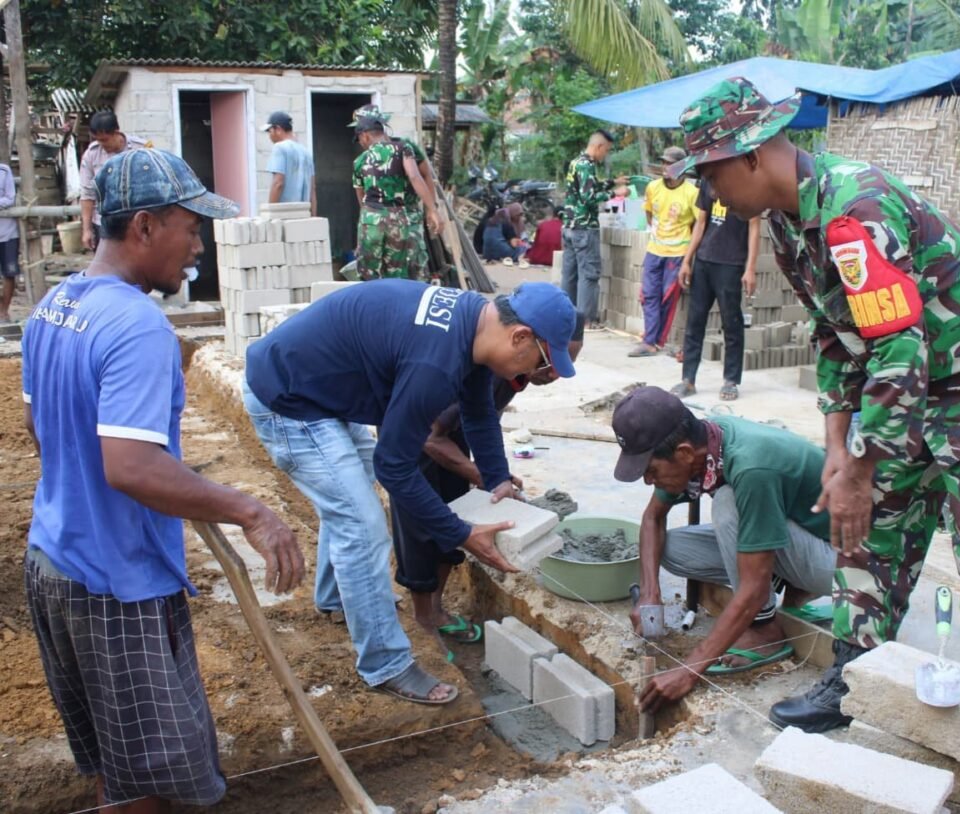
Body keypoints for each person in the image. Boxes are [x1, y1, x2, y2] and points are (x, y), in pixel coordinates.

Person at [667, 76, 960, 733]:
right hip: (908, 388)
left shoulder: (854, 209)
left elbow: (898, 351)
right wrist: (838, 451)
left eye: (711, 172)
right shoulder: (789, 226)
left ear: (753, 155)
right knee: (868, 537)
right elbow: (838, 339)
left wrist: (862, 469)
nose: (709, 192)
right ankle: (851, 678)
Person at [21, 148, 305, 812]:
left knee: (116, 767)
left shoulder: (53, 307)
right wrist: (251, 512)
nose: (198, 244)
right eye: (190, 226)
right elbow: (132, 467)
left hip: (55, 563)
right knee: (148, 783)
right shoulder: (138, 325)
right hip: (115, 582)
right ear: (145, 227)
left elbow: (44, 434)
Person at [243, 280, 577, 705]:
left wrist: (498, 479)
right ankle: (386, 665)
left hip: (321, 389)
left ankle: (334, 597)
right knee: (364, 528)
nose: (531, 374)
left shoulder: (474, 324)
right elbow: (394, 466)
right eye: (540, 361)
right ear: (520, 336)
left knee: (350, 495)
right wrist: (461, 533)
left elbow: (478, 412)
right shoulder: (435, 364)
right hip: (288, 399)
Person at [613, 386, 835, 712]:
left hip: (844, 563)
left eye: (651, 471)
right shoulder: (705, 442)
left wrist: (689, 669)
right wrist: (650, 592)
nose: (649, 481)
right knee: (672, 548)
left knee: (728, 505)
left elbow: (753, 590)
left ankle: (764, 630)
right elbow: (652, 519)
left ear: (685, 453)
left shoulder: (749, 466)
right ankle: (784, 582)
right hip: (798, 534)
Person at [387, 315, 585, 653]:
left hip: (452, 439)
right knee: (422, 527)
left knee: (460, 518)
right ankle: (423, 621)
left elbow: (484, 421)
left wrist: (496, 474)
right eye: (551, 362)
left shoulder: (517, 373)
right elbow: (430, 438)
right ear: (526, 341)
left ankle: (436, 609)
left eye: (565, 365)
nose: (554, 374)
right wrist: (481, 476)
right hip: (415, 440)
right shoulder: (488, 367)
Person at [672, 174, 760, 400]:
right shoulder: (709, 181)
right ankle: (688, 379)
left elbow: (754, 227)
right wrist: (687, 261)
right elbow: (701, 223)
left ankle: (731, 380)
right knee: (694, 322)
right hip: (704, 260)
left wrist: (750, 268)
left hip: (731, 264)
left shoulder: (748, 185)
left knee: (731, 323)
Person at [349, 113, 442, 280]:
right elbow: (415, 177)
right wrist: (432, 209)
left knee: (369, 275)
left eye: (360, 139)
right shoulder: (403, 148)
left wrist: (365, 227)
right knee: (400, 272)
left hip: (371, 221)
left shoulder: (359, 161)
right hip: (401, 219)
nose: (361, 144)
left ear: (365, 135)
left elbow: (361, 199)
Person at [628, 147, 699, 358]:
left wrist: (688, 258)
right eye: (664, 163)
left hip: (678, 253)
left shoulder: (691, 193)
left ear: (682, 167)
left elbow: (697, 226)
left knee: (667, 297)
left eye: (670, 164)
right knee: (648, 294)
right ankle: (649, 341)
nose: (666, 167)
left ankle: (657, 341)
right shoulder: (653, 187)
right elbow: (650, 215)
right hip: (654, 249)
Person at [560, 129, 629, 330]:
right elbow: (589, 198)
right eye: (606, 151)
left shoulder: (577, 163)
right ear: (598, 147)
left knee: (570, 275)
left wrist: (613, 183)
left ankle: (568, 317)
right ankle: (586, 320)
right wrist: (615, 193)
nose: (605, 155)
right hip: (584, 227)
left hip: (569, 226)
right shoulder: (587, 165)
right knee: (589, 274)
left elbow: (589, 186)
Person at [78, 111, 149, 252]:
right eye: (98, 140)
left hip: (135, 222)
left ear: (116, 132)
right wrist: (86, 230)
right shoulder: (91, 155)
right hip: (104, 224)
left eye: (105, 140)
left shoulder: (142, 149)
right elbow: (87, 194)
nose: (102, 144)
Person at [264, 110, 317, 215]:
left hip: (285, 216)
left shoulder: (279, 148)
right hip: (304, 216)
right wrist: (313, 218)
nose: (269, 136)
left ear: (278, 129)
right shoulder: (306, 152)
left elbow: (278, 183)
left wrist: (270, 215)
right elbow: (312, 190)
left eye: (270, 131)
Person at [0, 161, 17, 323]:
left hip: (6, 232)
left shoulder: (4, 171)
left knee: (9, 273)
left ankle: (4, 311)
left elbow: (10, 198)